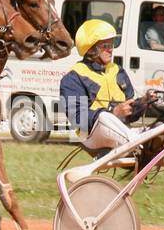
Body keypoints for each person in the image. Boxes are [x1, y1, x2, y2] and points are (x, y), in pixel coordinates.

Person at [59, 19, 147, 151]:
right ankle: (139, 146)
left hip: (122, 132)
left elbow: (130, 114)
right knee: (104, 117)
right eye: (105, 46)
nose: (111, 50)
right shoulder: (73, 78)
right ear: (90, 49)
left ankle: (142, 144)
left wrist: (143, 104)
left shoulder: (118, 71)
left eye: (112, 45)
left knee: (161, 126)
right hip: (91, 137)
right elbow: (77, 119)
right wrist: (113, 113)